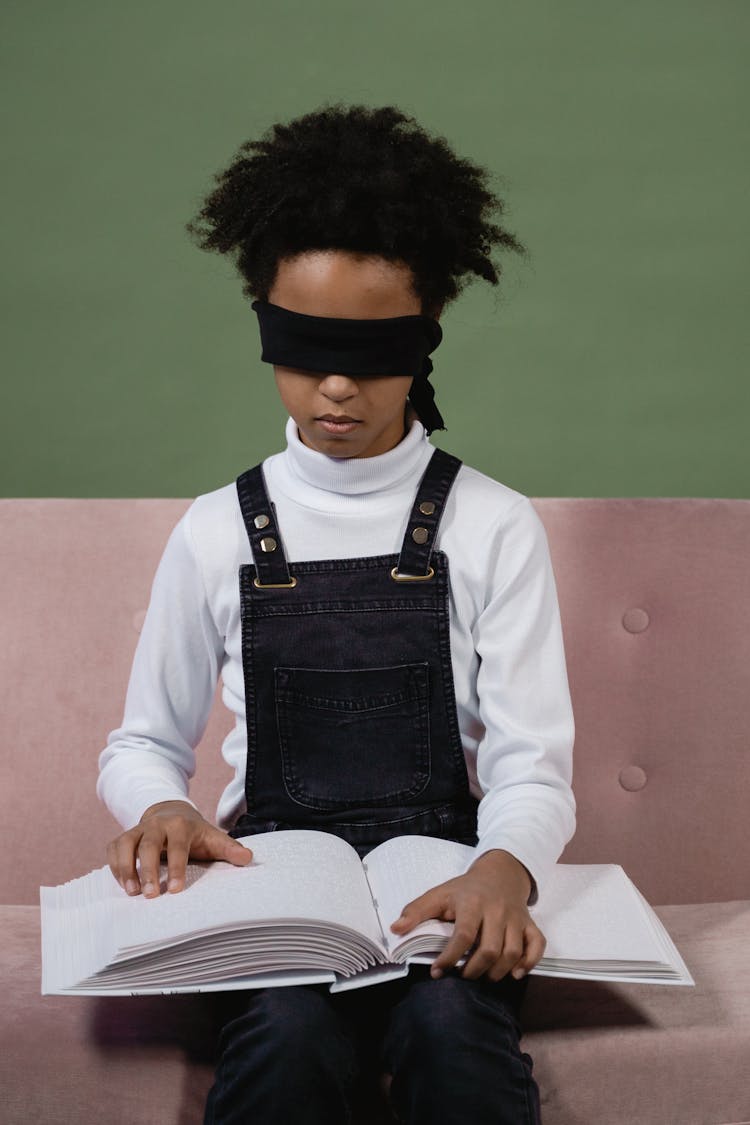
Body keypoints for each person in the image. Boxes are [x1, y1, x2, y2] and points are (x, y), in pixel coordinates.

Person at [98, 102, 576, 1125]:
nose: (335, 386)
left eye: (372, 352)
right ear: (263, 324)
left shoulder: (493, 525)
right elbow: (142, 740)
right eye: (302, 346)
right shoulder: (217, 528)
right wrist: (161, 810)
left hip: (446, 893)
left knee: (455, 1037)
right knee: (287, 1041)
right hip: (270, 891)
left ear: (427, 340)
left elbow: (532, 758)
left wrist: (507, 868)